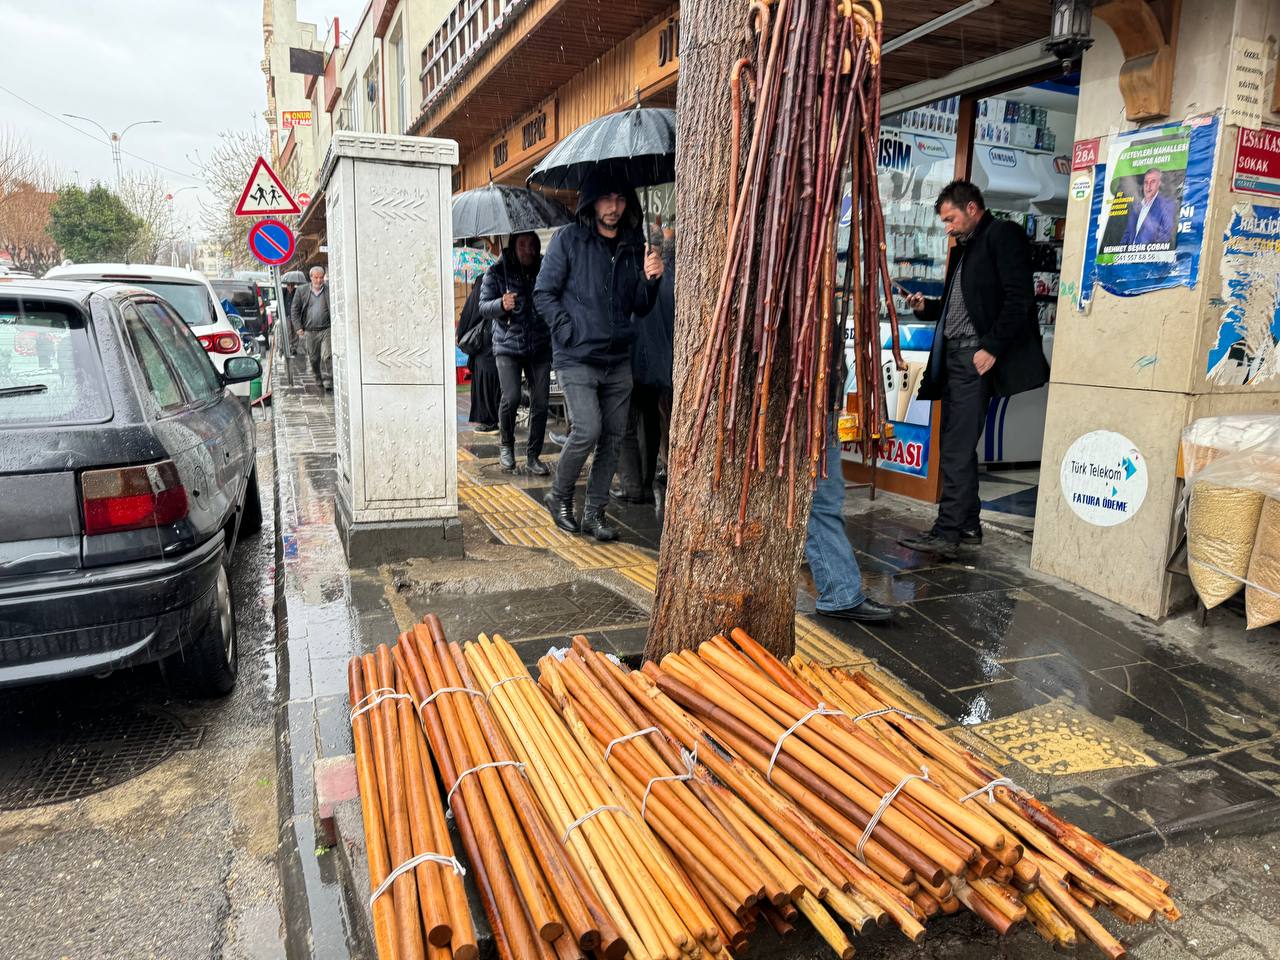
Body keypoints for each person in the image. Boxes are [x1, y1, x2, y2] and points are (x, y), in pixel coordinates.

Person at [899, 180, 1048, 560]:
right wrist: (925, 307)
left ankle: (947, 531)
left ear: (971, 208)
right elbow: (959, 306)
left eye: (950, 218)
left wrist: (992, 348)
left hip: (975, 358)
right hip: (954, 358)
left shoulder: (1002, 235)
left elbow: (1019, 299)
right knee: (955, 445)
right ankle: (967, 525)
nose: (947, 227)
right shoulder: (964, 249)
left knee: (956, 447)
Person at [534, 169, 664, 541]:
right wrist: (567, 331)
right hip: (576, 357)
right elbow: (544, 293)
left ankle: (594, 512)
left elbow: (638, 305)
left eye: (620, 199)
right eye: (606, 199)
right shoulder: (568, 240)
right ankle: (559, 495)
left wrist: (651, 280)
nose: (614, 207)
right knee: (587, 429)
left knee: (612, 437)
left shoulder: (631, 243)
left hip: (618, 357)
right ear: (591, 200)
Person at [805, 323, 892, 623]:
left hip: (821, 399)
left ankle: (840, 591)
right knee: (823, 500)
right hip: (806, 399)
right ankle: (839, 592)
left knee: (826, 498)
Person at [613, 221, 675, 504]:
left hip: (633, 358)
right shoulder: (672, 279)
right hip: (661, 363)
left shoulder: (638, 279)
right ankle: (647, 481)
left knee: (626, 424)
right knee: (650, 423)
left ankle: (632, 486)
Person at [480, 232, 552, 475]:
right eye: (523, 245)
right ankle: (506, 444)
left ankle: (533, 455)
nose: (529, 250)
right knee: (510, 397)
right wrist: (501, 304)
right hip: (507, 345)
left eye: (533, 245)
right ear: (513, 245)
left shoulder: (545, 267)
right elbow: (483, 307)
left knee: (541, 402)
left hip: (539, 345)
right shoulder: (496, 272)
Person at [456, 276, 500, 432]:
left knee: (484, 382)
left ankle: (488, 421)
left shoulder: (482, 284)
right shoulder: (499, 284)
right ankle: (497, 418)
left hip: (483, 344)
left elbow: (469, 314)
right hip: (499, 342)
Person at [295, 265, 333, 392]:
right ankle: (318, 376)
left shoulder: (329, 290)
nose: (318, 281)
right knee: (313, 358)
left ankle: (328, 380)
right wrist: (298, 327)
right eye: (316, 278)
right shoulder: (302, 291)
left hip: (326, 329)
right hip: (310, 331)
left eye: (321, 277)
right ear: (311, 278)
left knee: (327, 356)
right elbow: (295, 310)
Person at [1120, 168, 1176, 246]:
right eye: (1146, 182)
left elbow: (1165, 237)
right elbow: (1127, 234)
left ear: (1159, 183)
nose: (1148, 186)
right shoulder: (1136, 206)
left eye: (1153, 182)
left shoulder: (1167, 205)